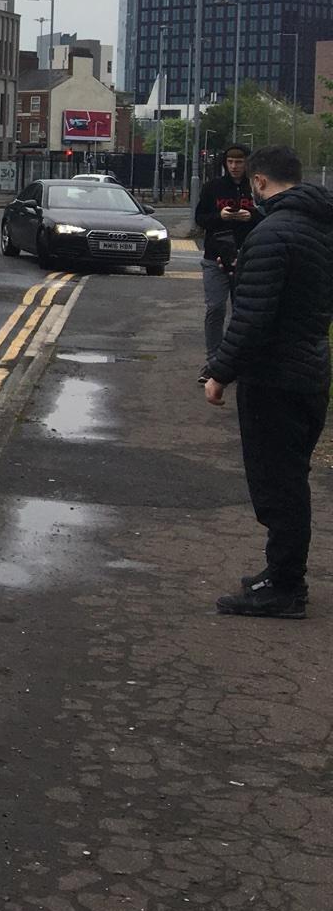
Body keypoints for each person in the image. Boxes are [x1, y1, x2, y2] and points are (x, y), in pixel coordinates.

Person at [201, 146, 333, 618]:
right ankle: (279, 573)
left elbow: (252, 318)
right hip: (311, 372)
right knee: (290, 480)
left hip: (274, 379)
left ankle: (285, 588)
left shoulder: (270, 233)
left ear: (258, 182)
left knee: (278, 489)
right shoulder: (322, 227)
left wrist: (219, 372)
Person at [193, 145, 259, 358]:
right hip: (215, 257)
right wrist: (220, 216)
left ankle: (238, 360)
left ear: (247, 163)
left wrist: (251, 216)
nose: (234, 166)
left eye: (239, 162)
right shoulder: (213, 187)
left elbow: (271, 216)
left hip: (249, 259)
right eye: (230, 162)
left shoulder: (257, 187)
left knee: (243, 313)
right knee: (216, 308)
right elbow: (200, 219)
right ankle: (214, 359)